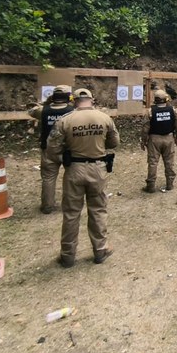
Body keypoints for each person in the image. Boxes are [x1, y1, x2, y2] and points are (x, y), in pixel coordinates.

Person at [46, 88, 119, 267]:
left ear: (74, 101)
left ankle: (68, 255)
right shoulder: (105, 118)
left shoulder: (65, 120)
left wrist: (63, 158)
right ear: (91, 100)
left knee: (71, 213)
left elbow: (52, 147)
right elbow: (114, 142)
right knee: (98, 210)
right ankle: (100, 249)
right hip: (98, 169)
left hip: (74, 169)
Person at [28, 85, 75, 214]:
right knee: (71, 176)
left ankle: (47, 206)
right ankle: (70, 204)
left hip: (48, 149)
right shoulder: (73, 111)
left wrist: (47, 102)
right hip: (68, 149)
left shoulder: (43, 110)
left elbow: (30, 111)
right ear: (68, 97)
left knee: (48, 178)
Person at [141, 90, 177, 193]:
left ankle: (150, 186)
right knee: (169, 162)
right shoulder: (172, 110)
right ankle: (170, 184)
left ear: (155, 100)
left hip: (154, 139)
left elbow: (145, 129)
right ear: (166, 99)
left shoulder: (150, 111)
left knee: (153, 162)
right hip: (169, 138)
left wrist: (143, 141)